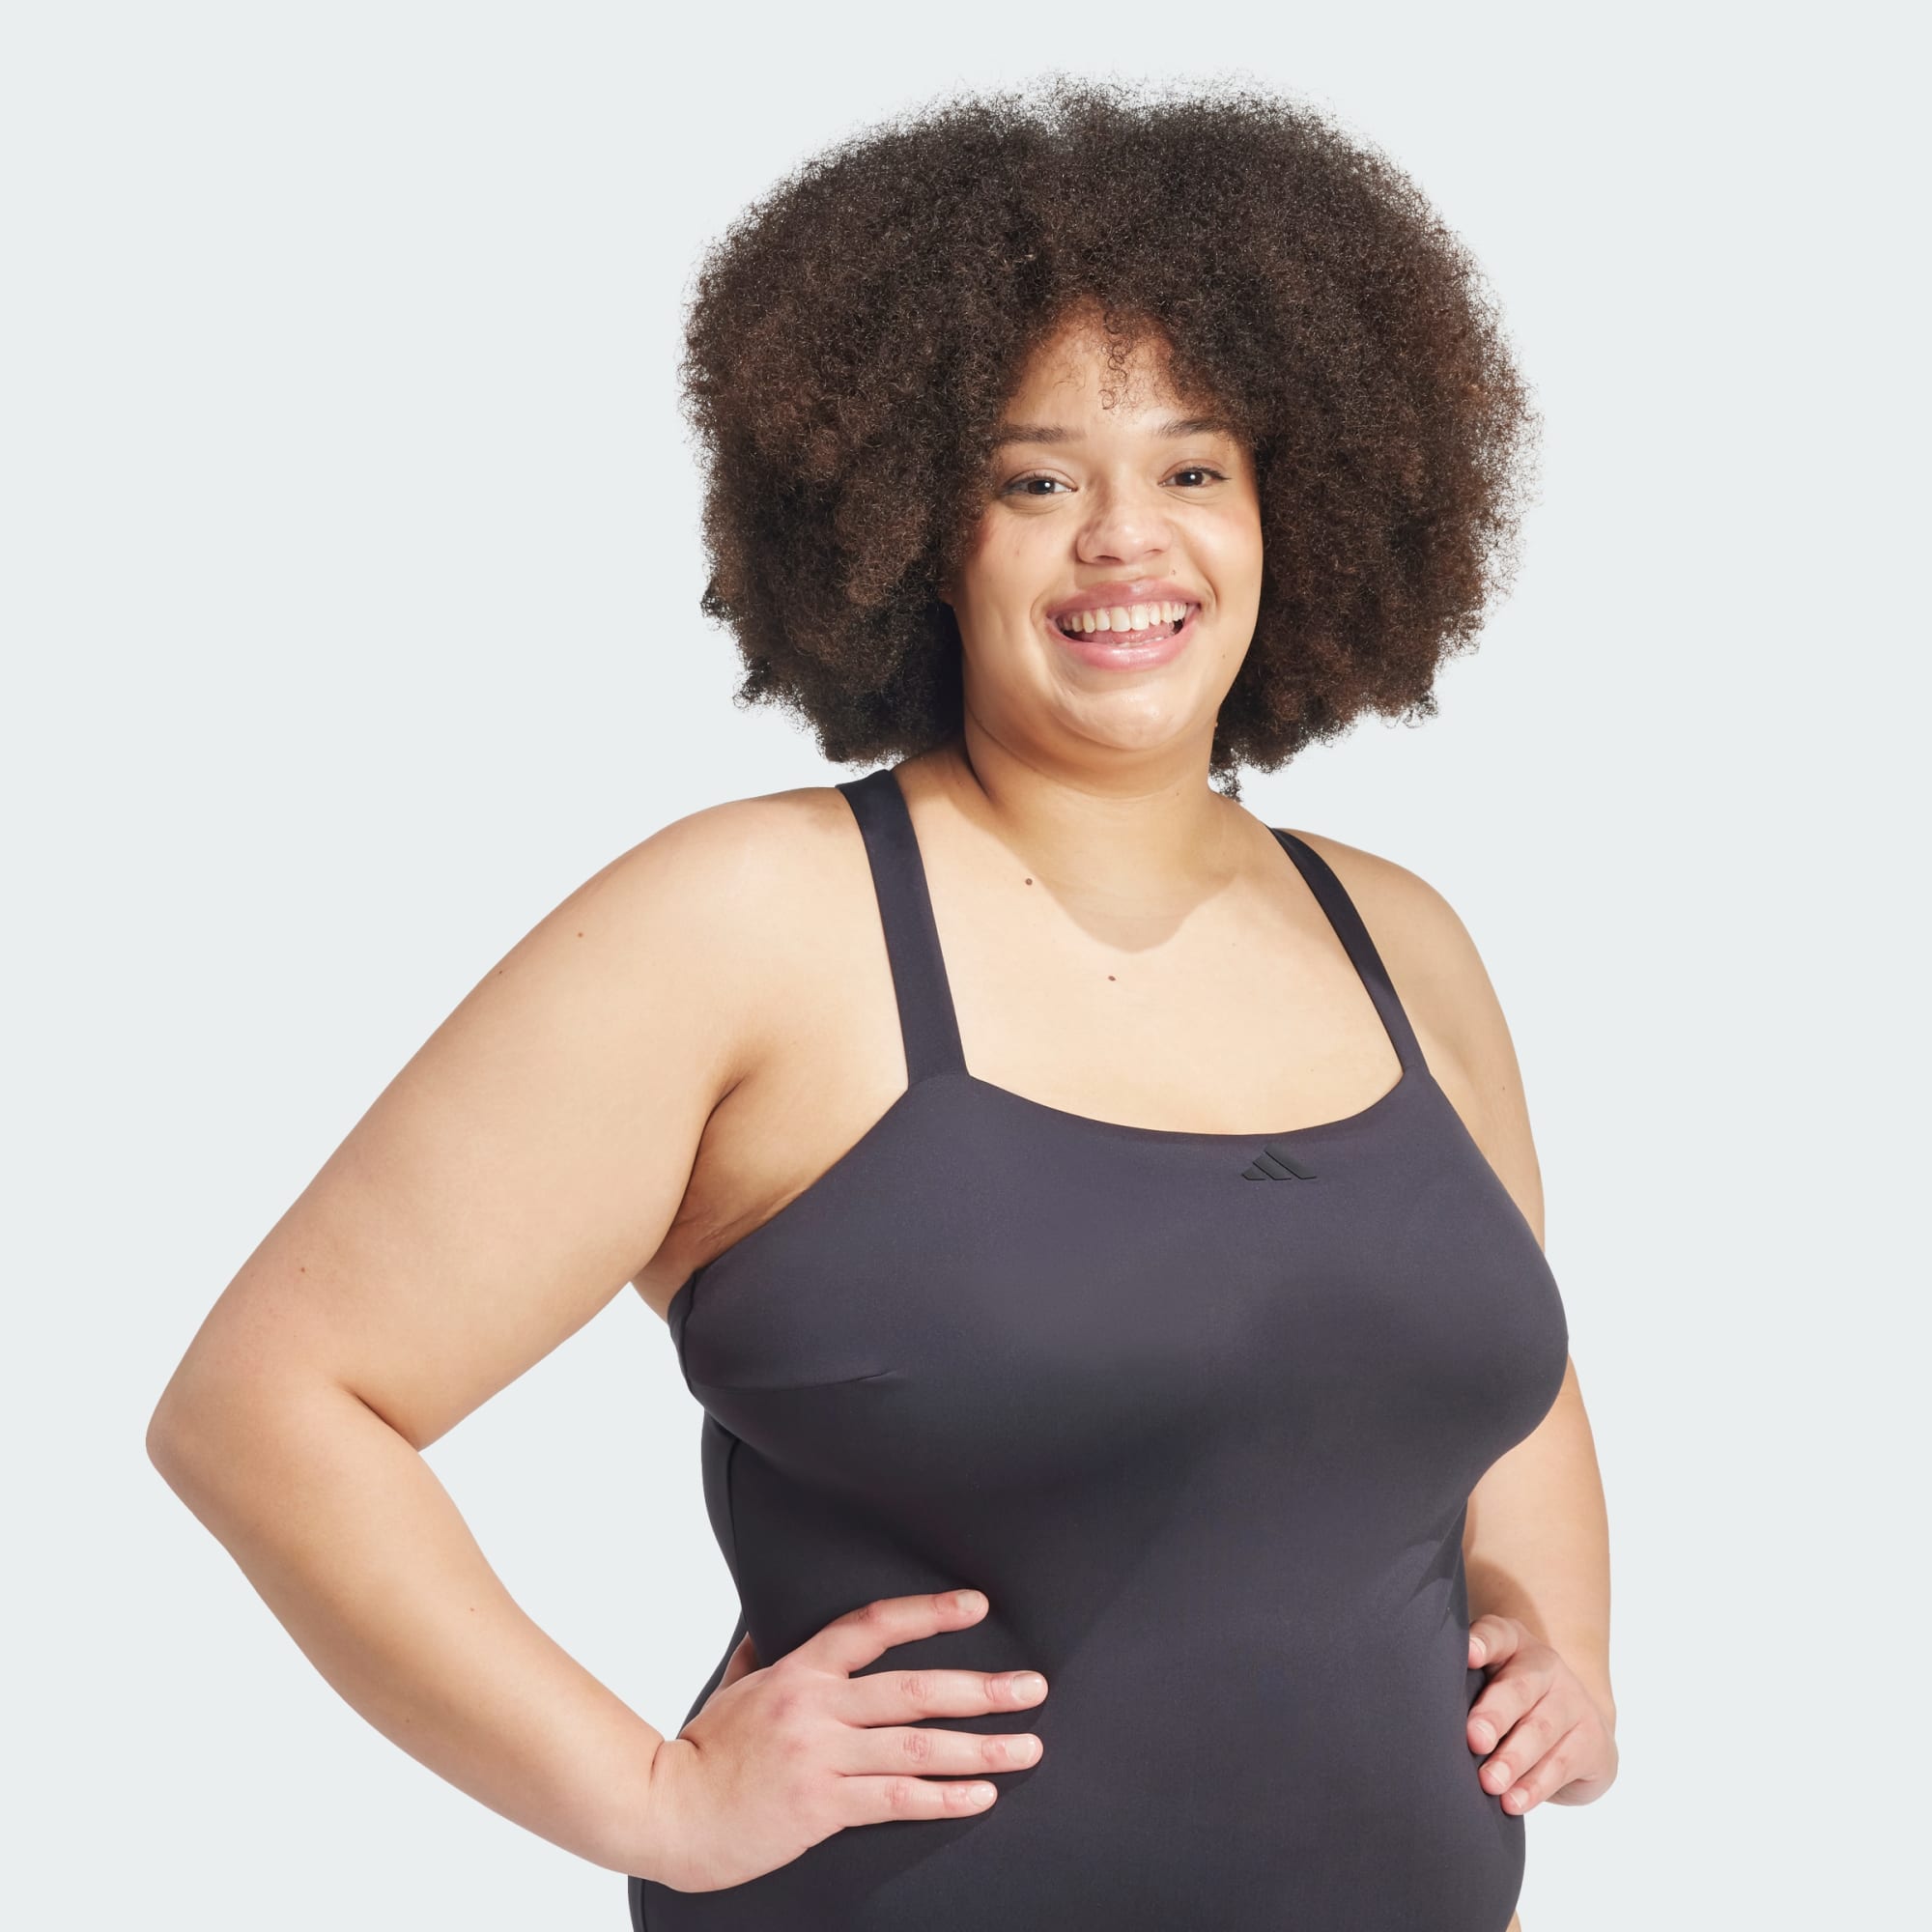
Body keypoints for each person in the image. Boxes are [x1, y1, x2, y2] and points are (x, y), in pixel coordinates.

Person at [148, 75, 1616, 1932]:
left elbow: (1504, 1381)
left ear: (1292, 509)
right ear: (916, 527)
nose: (1125, 540)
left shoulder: (1399, 940)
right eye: (1035, 480)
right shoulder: (750, 919)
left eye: (1193, 470)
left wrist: (1563, 1651)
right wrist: (653, 1798)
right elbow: (269, 1405)